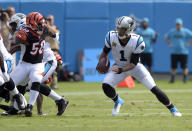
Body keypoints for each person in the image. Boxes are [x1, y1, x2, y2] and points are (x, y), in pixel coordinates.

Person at [97, 16, 182, 117]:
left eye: (122, 29)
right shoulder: (111, 36)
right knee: (106, 85)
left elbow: (133, 63)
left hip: (135, 67)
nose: (119, 31)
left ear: (129, 30)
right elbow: (104, 53)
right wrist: (100, 62)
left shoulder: (137, 41)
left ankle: (172, 108)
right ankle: (118, 101)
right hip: (119, 66)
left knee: (154, 88)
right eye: (118, 28)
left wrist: (121, 70)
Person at [9, 12, 68, 117]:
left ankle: (59, 100)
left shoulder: (27, 30)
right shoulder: (29, 30)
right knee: (23, 82)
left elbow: (49, 34)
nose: (12, 27)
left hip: (46, 61)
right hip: (35, 62)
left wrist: (54, 35)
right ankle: (16, 108)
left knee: (32, 83)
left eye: (13, 24)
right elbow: (21, 46)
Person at [165, 18, 192, 83]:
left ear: (181, 25)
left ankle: (185, 79)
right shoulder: (172, 31)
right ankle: (172, 79)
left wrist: (188, 43)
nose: (178, 25)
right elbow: (166, 37)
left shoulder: (185, 31)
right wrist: (169, 43)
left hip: (183, 52)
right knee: (173, 67)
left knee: (184, 66)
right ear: (175, 25)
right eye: (177, 24)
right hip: (174, 51)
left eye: (179, 24)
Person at [45, 14, 60, 89]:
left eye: (50, 19)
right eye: (48, 19)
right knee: (44, 67)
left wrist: (47, 25)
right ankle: (44, 83)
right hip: (45, 50)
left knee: (53, 68)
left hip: (54, 50)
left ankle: (54, 84)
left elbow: (56, 33)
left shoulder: (55, 27)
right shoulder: (45, 28)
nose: (49, 21)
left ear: (53, 20)